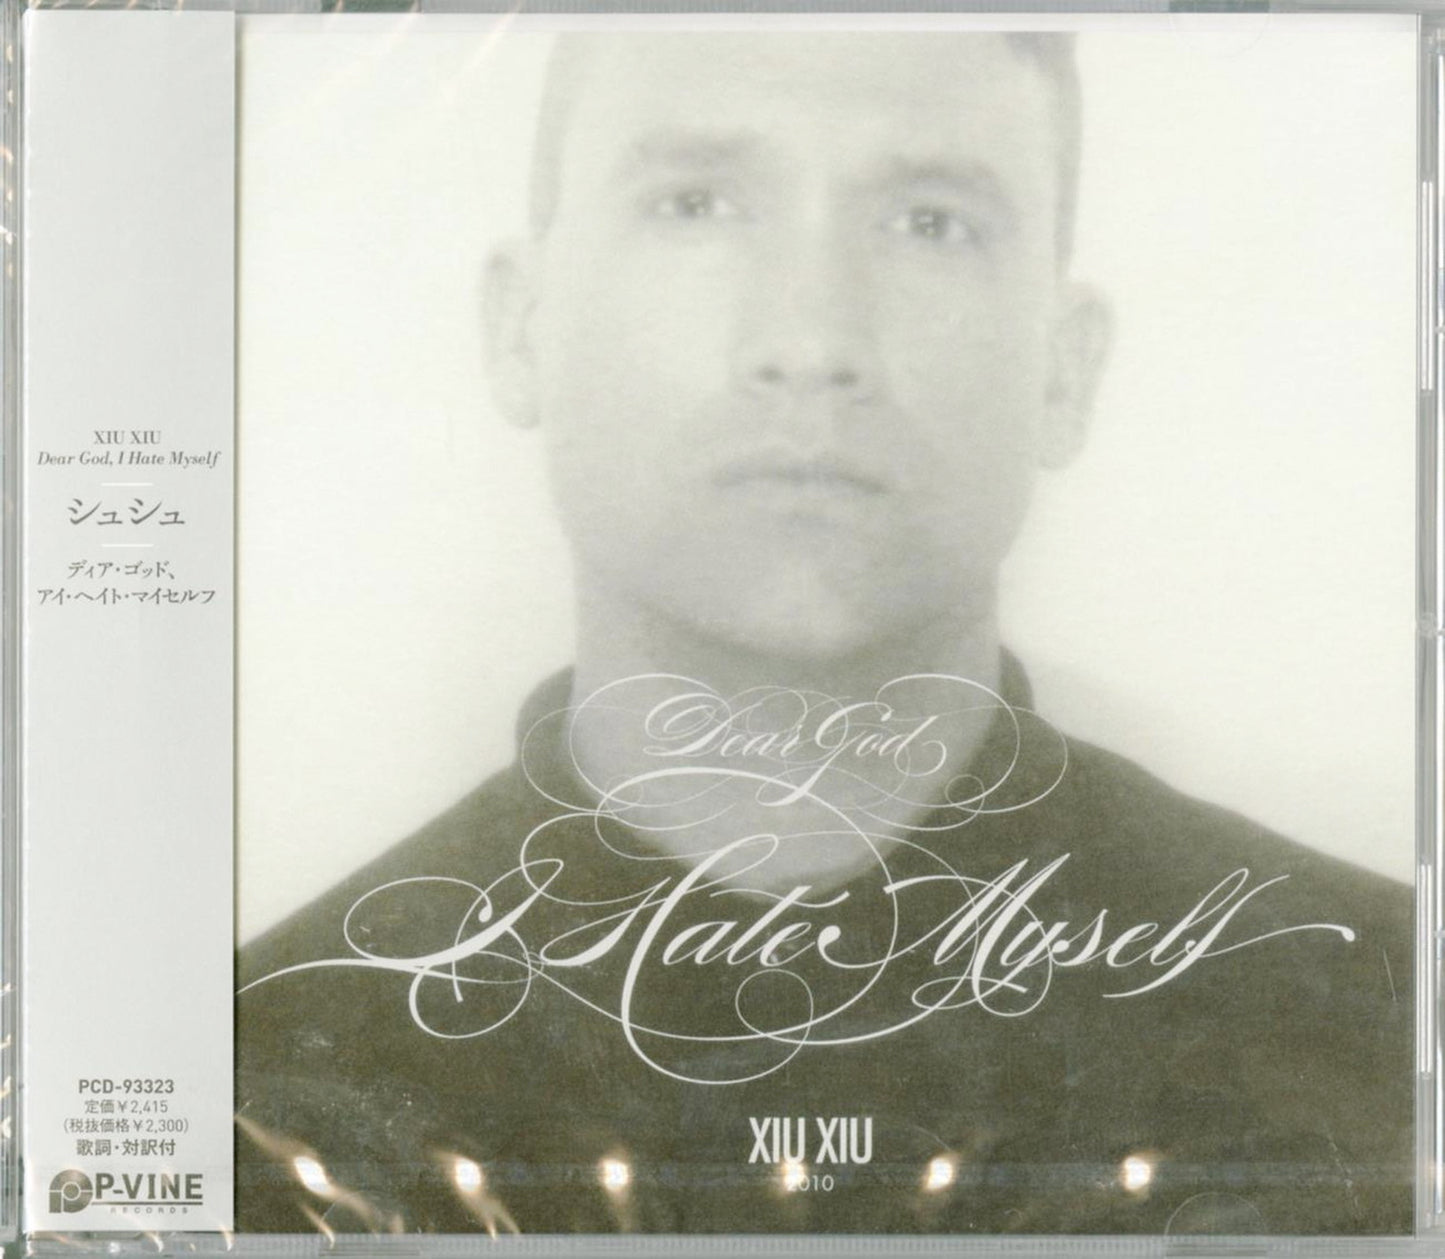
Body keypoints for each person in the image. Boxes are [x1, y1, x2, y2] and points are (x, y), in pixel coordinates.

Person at [235, 31, 1412, 1237]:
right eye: (694, 204)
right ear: (521, 327)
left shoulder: (1393, 1027)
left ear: (1064, 371)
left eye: (928, 223)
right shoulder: (240, 1096)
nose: (809, 341)